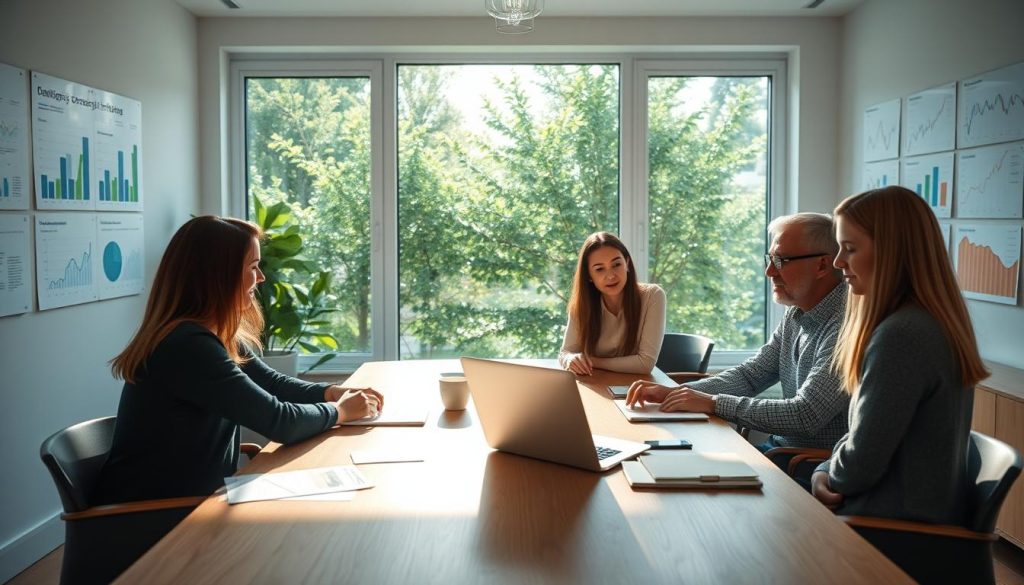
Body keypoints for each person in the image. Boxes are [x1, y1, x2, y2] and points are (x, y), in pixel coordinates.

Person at [96, 216, 384, 506]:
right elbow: (279, 421)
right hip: (155, 517)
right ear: (219, 276)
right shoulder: (187, 346)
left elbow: (273, 384)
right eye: (253, 268)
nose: (261, 278)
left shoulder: (214, 333)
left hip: (196, 500)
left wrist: (330, 392)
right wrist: (339, 411)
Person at [811, 186, 987, 528]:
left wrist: (824, 475)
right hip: (894, 515)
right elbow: (864, 438)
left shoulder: (902, 336)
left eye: (849, 249)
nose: (837, 263)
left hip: (892, 530)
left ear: (892, 253)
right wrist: (823, 471)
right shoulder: (924, 322)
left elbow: (861, 464)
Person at [626, 213, 849, 458]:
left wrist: (713, 403)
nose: (769, 272)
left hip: (808, 467)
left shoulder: (846, 325)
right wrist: (678, 393)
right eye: (770, 259)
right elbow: (751, 376)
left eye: (781, 260)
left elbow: (806, 415)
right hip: (779, 451)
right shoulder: (796, 312)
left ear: (823, 266)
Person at [558, 231, 666, 375]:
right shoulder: (583, 303)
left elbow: (645, 363)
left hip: (635, 387)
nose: (610, 275)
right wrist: (571, 359)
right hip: (594, 383)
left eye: (616, 264)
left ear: (626, 263)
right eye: (599, 269)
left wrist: (591, 361)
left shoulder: (653, 296)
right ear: (589, 275)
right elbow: (566, 353)